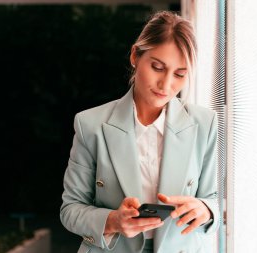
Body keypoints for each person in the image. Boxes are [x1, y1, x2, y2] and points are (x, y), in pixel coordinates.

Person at [60, 10, 219, 253]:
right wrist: (113, 221)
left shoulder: (204, 123)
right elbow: (70, 209)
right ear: (135, 56)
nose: (166, 85)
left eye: (179, 74)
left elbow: (214, 199)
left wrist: (205, 209)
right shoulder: (90, 124)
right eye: (157, 67)